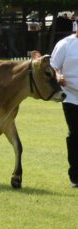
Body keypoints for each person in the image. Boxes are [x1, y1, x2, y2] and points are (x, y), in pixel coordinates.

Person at [51, 21, 78, 188]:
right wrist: (58, 75)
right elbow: (52, 66)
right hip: (71, 97)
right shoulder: (65, 45)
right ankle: (75, 175)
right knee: (75, 135)